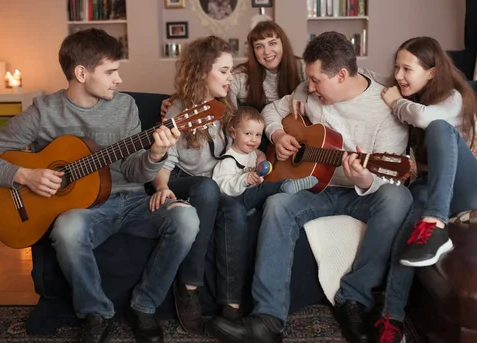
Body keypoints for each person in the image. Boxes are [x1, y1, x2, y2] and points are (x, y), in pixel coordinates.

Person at [0, 29, 200, 343]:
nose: (119, 79)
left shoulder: (124, 106)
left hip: (131, 200)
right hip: (82, 210)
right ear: (81, 73)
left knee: (187, 219)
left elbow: (133, 170)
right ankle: (96, 314)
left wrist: (155, 154)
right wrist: (24, 175)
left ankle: (145, 305)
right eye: (111, 71)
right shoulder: (43, 112)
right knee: (67, 229)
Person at [208, 31, 412, 343]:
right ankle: (268, 318)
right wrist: (277, 136)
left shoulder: (384, 110)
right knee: (277, 204)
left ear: (342, 75)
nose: (310, 88)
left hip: (361, 193)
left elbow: (387, 178)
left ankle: (354, 299)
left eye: (317, 81)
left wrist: (365, 179)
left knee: (398, 198)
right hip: (315, 186)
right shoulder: (307, 90)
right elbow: (271, 112)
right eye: (309, 80)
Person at [372, 36, 477, 342]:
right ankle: (392, 320)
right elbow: (371, 79)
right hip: (430, 188)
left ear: (431, 72)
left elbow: (426, 118)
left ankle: (436, 225)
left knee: (439, 127)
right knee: (410, 221)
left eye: (406, 69)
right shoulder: (411, 93)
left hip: (471, 189)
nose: (398, 75)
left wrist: (395, 102)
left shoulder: (452, 97)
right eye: (396, 68)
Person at [149, 35, 247, 335]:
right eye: (224, 71)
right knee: (206, 190)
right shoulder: (179, 109)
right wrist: (161, 188)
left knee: (235, 211)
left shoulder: (228, 101)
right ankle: (188, 286)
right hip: (184, 183)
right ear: (203, 71)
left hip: (217, 184)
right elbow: (162, 159)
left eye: (231, 70)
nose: (231, 77)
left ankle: (230, 304)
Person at [160, 21, 305, 118]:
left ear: (283, 44)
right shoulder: (241, 76)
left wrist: (301, 90)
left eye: (272, 43)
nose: (267, 52)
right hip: (257, 138)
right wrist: (176, 99)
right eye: (259, 46)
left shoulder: (302, 67)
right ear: (253, 51)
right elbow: (206, 81)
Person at [211, 106, 318, 207]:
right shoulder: (228, 160)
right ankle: (285, 186)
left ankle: (292, 186)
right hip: (235, 201)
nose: (254, 139)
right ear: (233, 133)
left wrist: (258, 177)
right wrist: (244, 180)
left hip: (253, 196)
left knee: (267, 190)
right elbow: (220, 188)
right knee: (265, 189)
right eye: (248, 134)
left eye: (258, 135)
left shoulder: (253, 154)